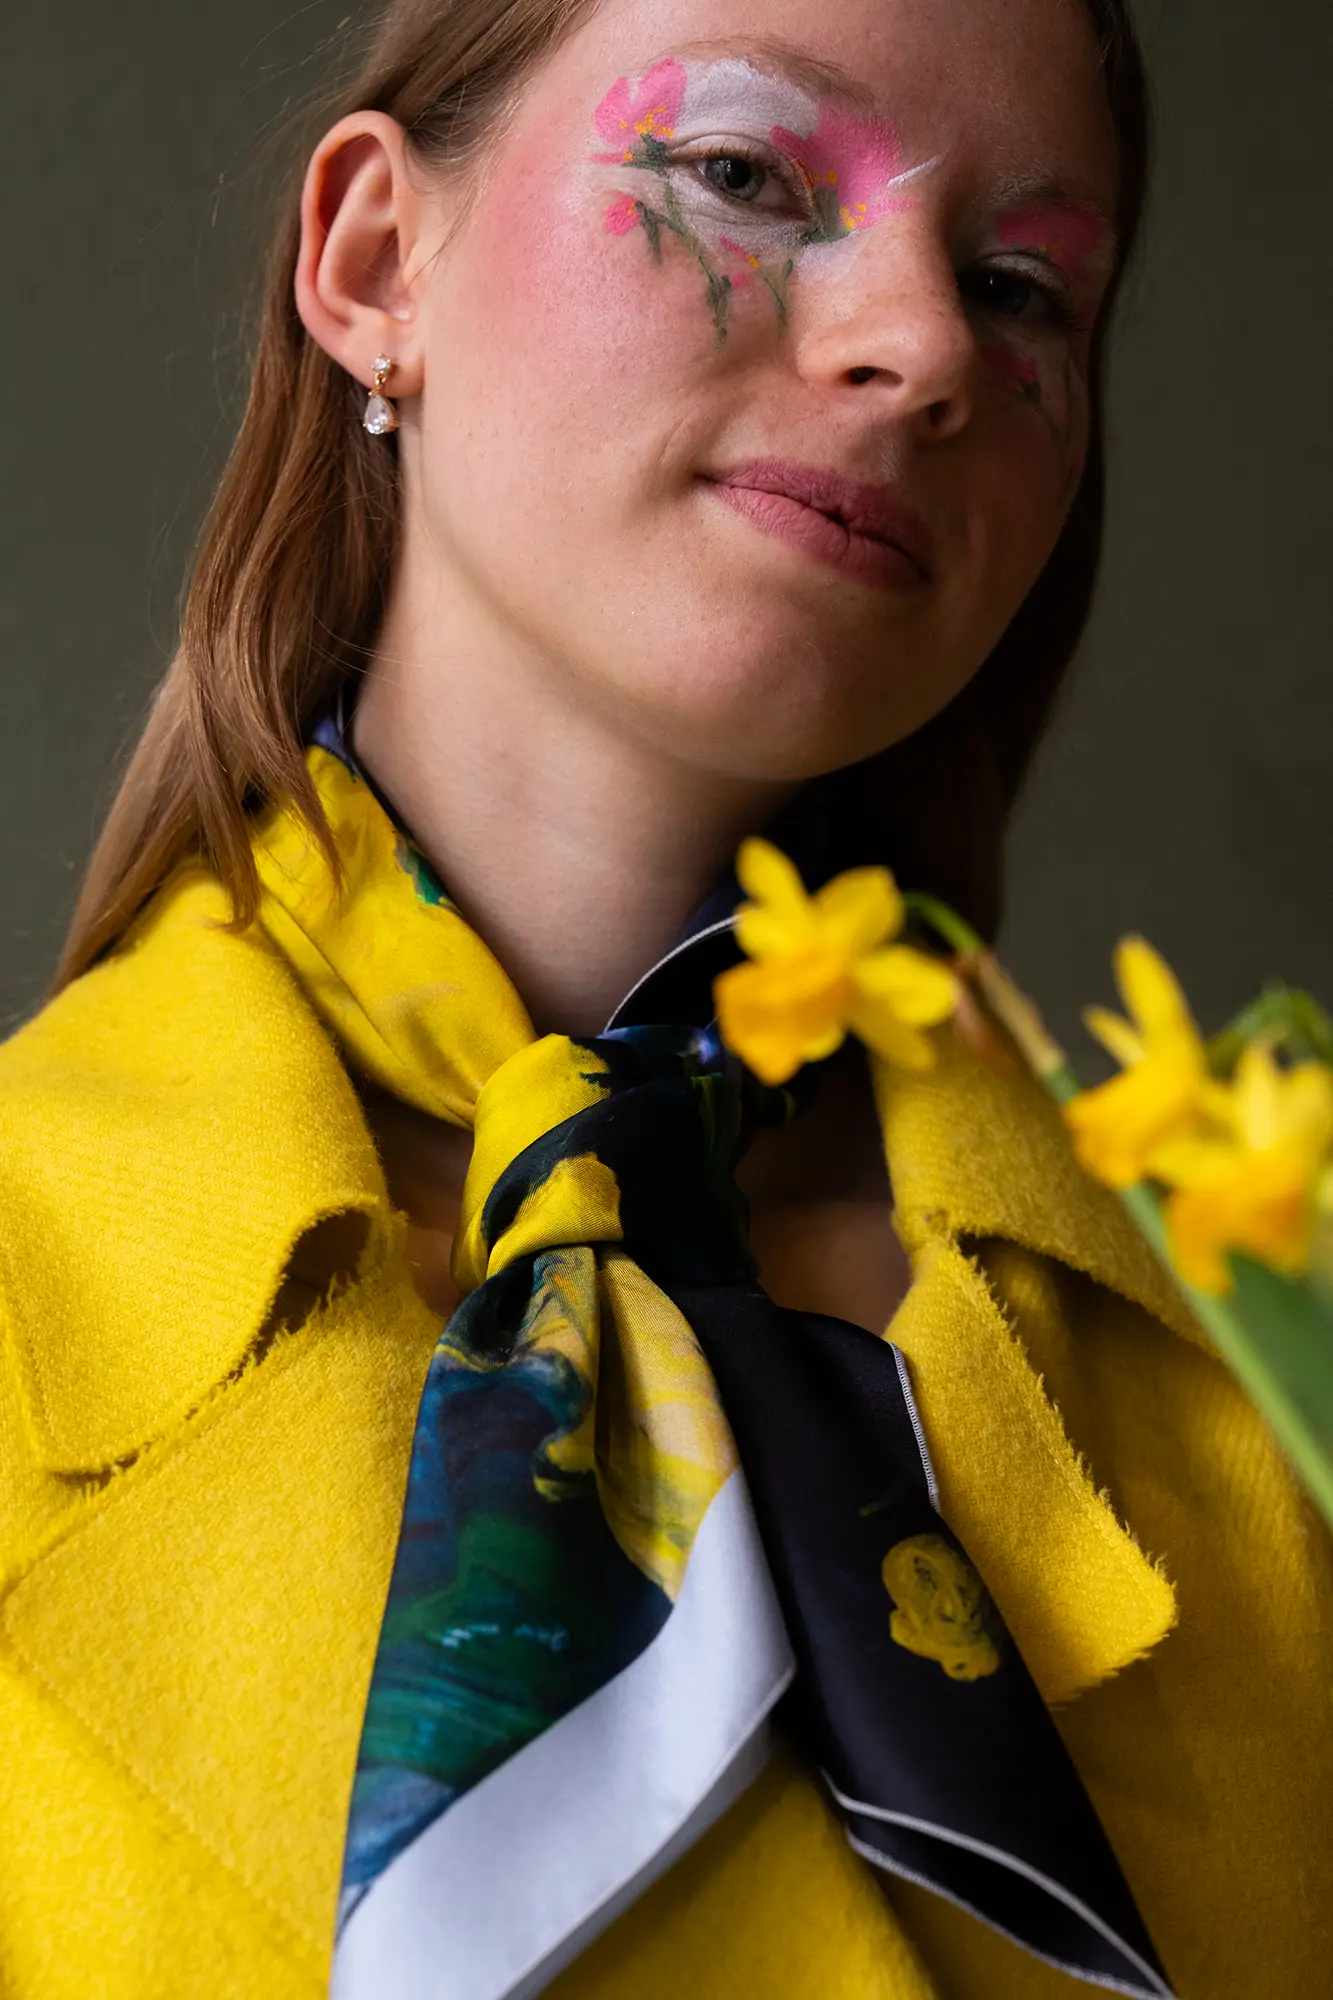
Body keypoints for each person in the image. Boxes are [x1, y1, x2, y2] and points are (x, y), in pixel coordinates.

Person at [1, 0, 1327, 1995]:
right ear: (377, 261)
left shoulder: (1274, 1303)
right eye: (742, 173)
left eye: (1021, 288)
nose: (929, 344)